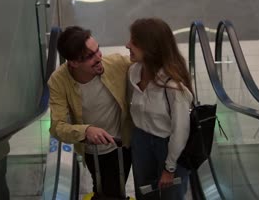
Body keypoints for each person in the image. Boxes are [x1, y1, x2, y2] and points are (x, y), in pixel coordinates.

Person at [48, 26, 133, 199]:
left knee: (112, 191)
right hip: (92, 151)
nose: (99, 57)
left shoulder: (116, 64)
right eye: (90, 56)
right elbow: (57, 127)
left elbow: (150, 63)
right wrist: (85, 131)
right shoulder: (58, 81)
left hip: (123, 144)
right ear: (73, 62)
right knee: (107, 191)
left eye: (98, 50)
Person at [126, 18, 193, 200]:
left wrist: (169, 168)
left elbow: (180, 131)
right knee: (145, 193)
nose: (127, 45)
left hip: (168, 146)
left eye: (134, 42)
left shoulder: (173, 86)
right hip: (141, 141)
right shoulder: (133, 72)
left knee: (171, 195)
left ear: (150, 47)